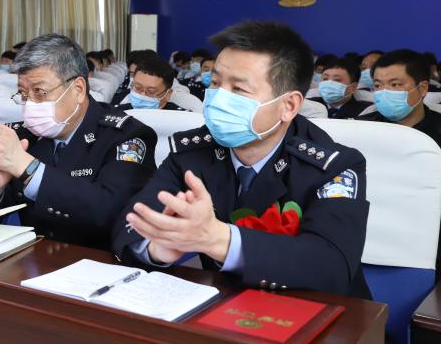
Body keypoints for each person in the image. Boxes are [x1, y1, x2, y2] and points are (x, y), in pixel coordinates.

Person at [112, 21, 370, 299]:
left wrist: (220, 240)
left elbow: (331, 266)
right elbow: (131, 224)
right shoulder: (191, 153)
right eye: (216, 83)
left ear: (288, 106)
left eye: (238, 89)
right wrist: (157, 249)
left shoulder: (332, 166)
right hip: (221, 301)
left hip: (314, 308)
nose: (219, 98)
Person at [0, 34, 157, 249]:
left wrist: (29, 169)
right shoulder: (24, 135)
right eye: (24, 94)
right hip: (32, 258)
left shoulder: (127, 136)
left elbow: (112, 212)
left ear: (78, 89)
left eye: (40, 92)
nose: (30, 104)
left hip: (96, 260)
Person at [357, 49, 441, 148]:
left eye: (394, 84)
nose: (384, 92)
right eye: (378, 85)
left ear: (423, 88)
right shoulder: (361, 128)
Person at [117, 55, 190, 111]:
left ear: (168, 94)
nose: (142, 96)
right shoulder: (119, 112)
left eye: (151, 91)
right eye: (138, 88)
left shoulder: (183, 118)